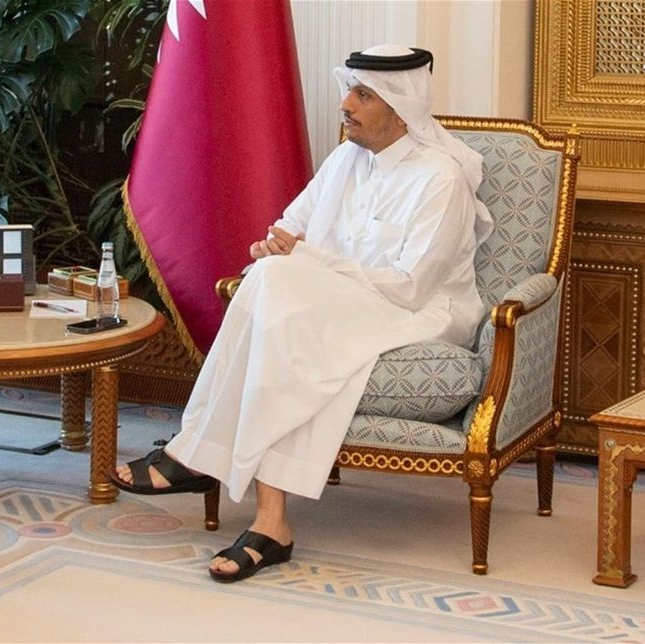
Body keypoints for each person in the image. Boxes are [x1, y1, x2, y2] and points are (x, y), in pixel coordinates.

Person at [112, 45, 494, 583]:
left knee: (279, 291)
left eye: (363, 95)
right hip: (343, 298)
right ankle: (267, 520)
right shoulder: (345, 161)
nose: (345, 104)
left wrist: (304, 259)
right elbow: (291, 226)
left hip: (420, 312)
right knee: (272, 283)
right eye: (350, 90)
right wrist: (274, 247)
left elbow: (412, 288)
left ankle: (200, 457)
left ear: (401, 107)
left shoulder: (440, 179)